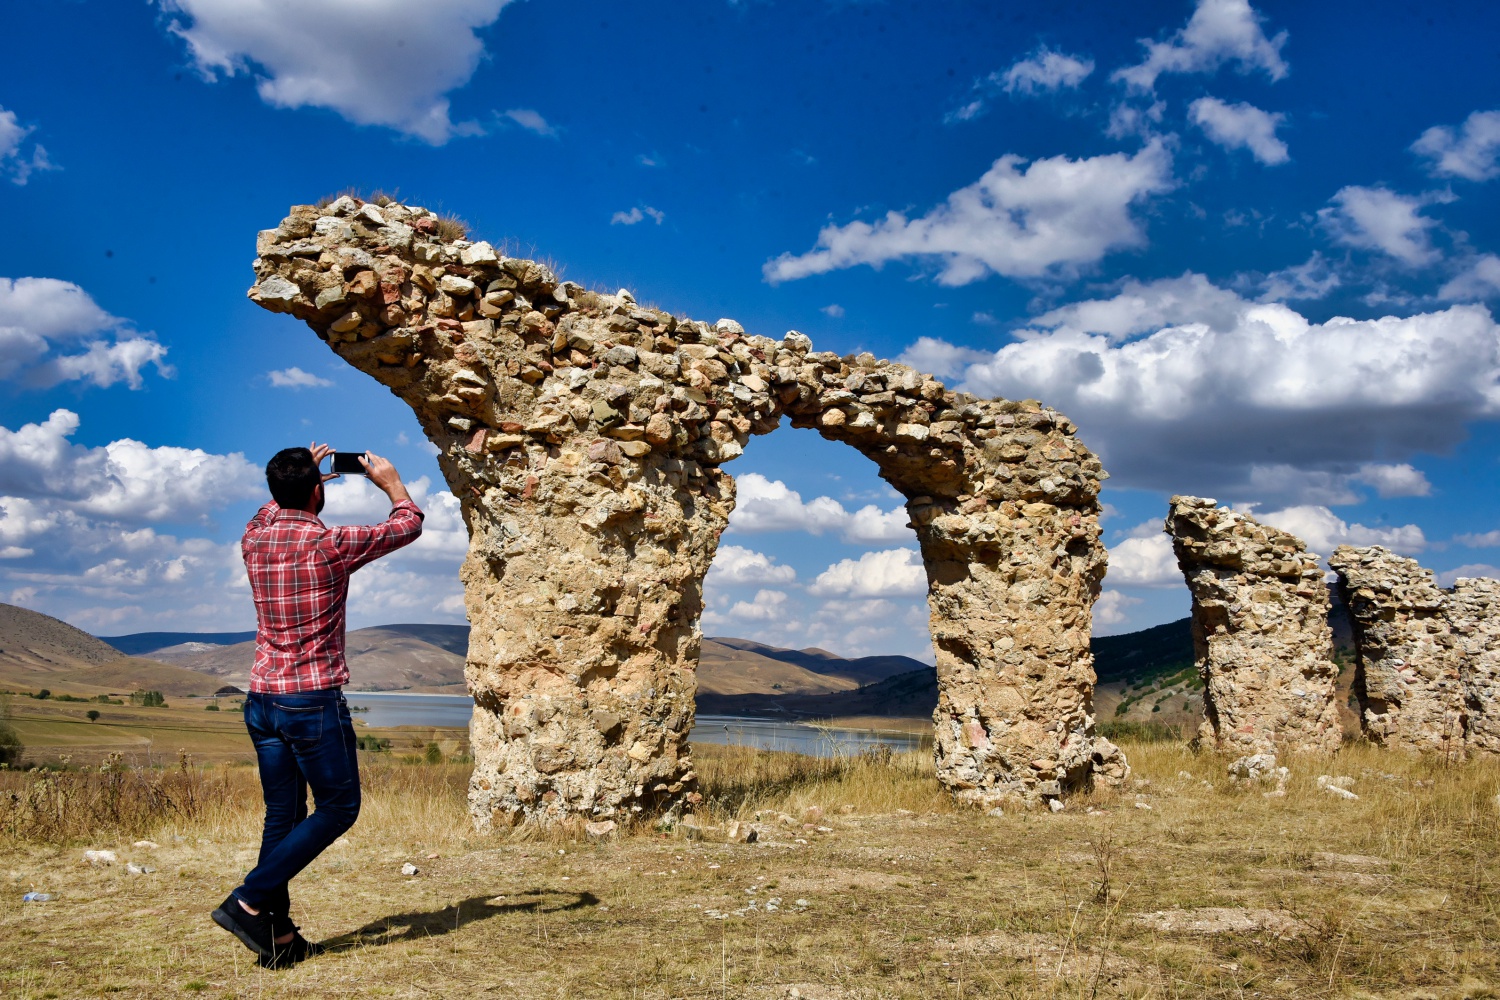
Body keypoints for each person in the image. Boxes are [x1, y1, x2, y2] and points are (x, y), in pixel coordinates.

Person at [212, 444, 423, 968]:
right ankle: (248, 900)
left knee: (283, 813)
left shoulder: (254, 537)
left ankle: (278, 940)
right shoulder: (330, 543)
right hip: (311, 699)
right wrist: (392, 483)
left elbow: (271, 506)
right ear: (317, 490)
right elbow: (407, 524)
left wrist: (301, 474)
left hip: (261, 698)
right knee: (338, 808)